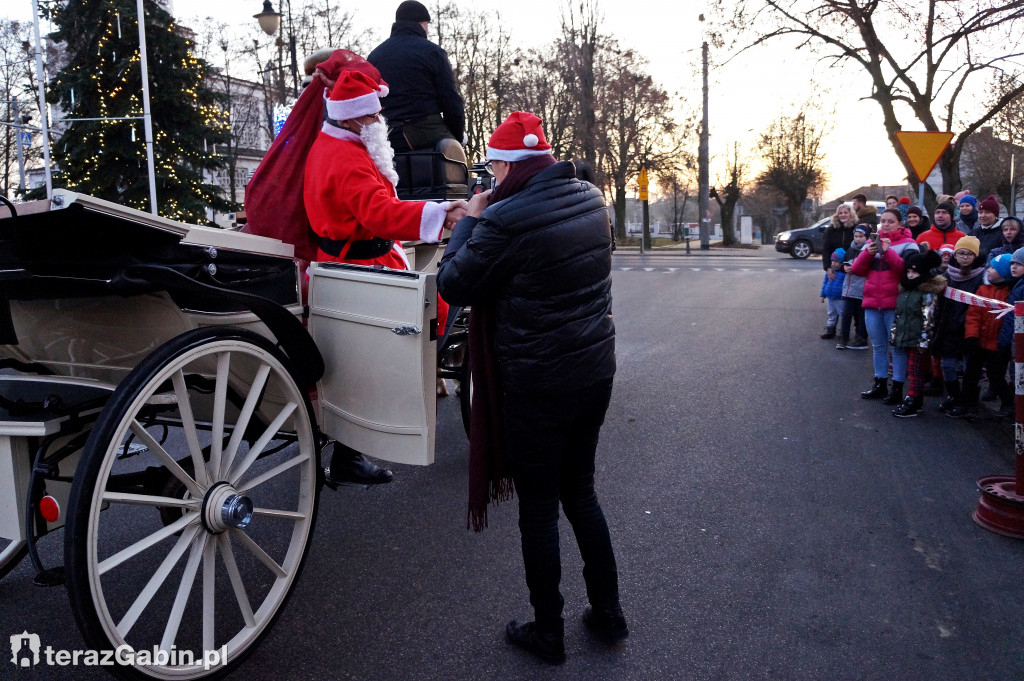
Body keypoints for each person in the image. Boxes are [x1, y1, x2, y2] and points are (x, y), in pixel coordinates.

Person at [436, 112, 623, 665]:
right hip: (593, 370)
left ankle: (548, 631)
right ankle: (608, 612)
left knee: (538, 507)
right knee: (581, 493)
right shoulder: (590, 198)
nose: (489, 177)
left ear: (509, 167)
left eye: (493, 167)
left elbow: (454, 282)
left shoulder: (504, 220)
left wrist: (471, 218)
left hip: (537, 382)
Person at [304, 69, 467, 484]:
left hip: (344, 261)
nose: (381, 122)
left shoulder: (329, 144)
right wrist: (441, 214)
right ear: (355, 118)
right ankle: (366, 440)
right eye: (374, 115)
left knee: (353, 360)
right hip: (363, 270)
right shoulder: (348, 158)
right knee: (417, 328)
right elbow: (381, 213)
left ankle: (348, 449)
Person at [367, 1, 466, 152]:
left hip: (386, 136)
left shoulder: (374, 56)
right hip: (425, 131)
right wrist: (457, 138)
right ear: (422, 24)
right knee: (456, 156)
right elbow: (451, 102)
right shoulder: (432, 52)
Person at [852, 208, 920, 400]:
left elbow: (905, 270)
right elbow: (857, 269)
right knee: (879, 346)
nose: (886, 224)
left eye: (891, 221)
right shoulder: (871, 243)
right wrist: (869, 253)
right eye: (883, 221)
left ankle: (897, 388)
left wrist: (888, 251)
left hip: (895, 303)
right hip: (873, 302)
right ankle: (880, 383)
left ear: (900, 223)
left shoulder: (909, 245)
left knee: (897, 348)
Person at [949, 253, 1015, 418]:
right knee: (970, 374)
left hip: (997, 344)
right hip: (978, 341)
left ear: (1004, 273)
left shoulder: (1009, 293)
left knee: (996, 376)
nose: (989, 270)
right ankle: (967, 404)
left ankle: (1008, 402)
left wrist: (1003, 342)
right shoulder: (983, 289)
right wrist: (971, 336)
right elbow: (973, 315)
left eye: (994, 268)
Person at [889, 250, 947, 417]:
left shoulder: (927, 293)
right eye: (908, 271)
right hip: (904, 335)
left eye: (914, 272)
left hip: (918, 339)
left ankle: (913, 400)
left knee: (915, 370)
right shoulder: (906, 290)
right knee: (911, 370)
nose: (911, 275)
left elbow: (928, 319)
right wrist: (894, 333)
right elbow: (899, 314)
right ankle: (915, 399)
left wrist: (923, 341)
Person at [932, 236, 986, 413]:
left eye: (969, 254)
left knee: (970, 368)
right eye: (961, 253)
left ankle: (967, 400)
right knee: (947, 365)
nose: (964, 257)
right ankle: (954, 395)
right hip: (949, 326)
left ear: (975, 256)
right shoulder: (948, 274)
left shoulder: (981, 276)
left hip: (971, 327)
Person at [838, 226, 870, 350]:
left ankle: (861, 338)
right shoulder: (850, 249)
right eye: (856, 236)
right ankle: (843, 339)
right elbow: (844, 263)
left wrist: (856, 269)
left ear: (866, 237)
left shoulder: (868, 250)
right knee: (846, 315)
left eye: (861, 236)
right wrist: (844, 268)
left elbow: (868, 267)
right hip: (849, 288)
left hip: (862, 289)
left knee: (861, 316)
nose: (858, 239)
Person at [822, 203, 857, 272]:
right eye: (840, 213)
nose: (843, 215)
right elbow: (826, 250)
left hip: (850, 267)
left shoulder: (856, 228)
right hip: (834, 267)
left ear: (851, 214)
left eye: (845, 213)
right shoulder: (830, 230)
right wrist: (827, 267)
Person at [820, 249, 846, 339]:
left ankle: (842, 332)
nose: (834, 263)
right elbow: (825, 283)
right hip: (831, 297)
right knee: (831, 313)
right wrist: (823, 295)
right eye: (832, 261)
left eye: (836, 262)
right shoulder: (830, 272)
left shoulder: (843, 274)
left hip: (840, 297)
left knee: (842, 313)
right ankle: (830, 330)